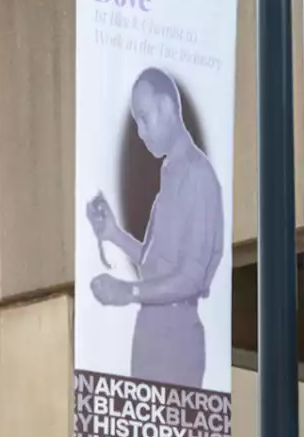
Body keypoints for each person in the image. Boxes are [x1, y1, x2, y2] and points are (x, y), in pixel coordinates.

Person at [85, 67, 224, 389]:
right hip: (153, 332)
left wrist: (127, 291)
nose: (141, 132)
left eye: (144, 118)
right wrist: (113, 234)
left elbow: (189, 278)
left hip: (174, 339)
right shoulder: (172, 172)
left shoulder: (198, 176)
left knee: (172, 435)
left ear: (166, 108)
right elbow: (155, 263)